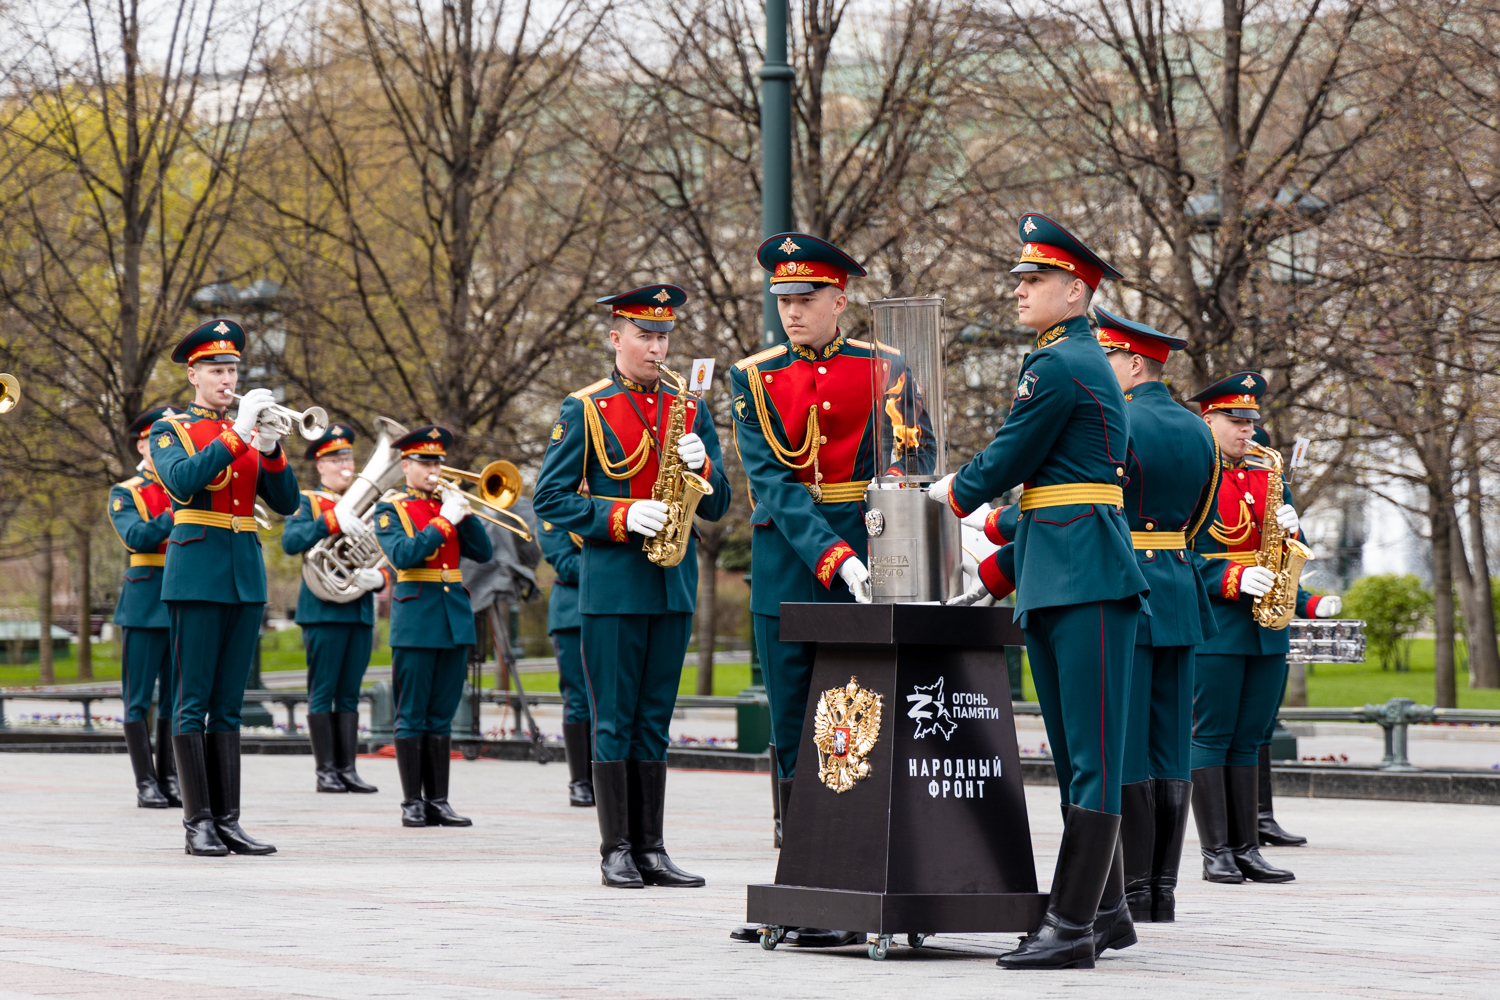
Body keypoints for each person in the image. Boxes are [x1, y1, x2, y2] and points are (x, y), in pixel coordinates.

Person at [933, 214, 1145, 970]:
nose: (1020, 291)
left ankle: (1072, 926)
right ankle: (1106, 909)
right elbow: (1045, 480)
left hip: (1083, 573)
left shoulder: (1056, 365)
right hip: (1063, 570)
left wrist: (946, 497)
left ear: (1076, 290)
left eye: (1035, 281)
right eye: (1019, 279)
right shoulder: (1069, 359)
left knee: (1088, 754)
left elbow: (1010, 455)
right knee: (1075, 749)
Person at [726, 232, 929, 948]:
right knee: (792, 733)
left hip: (874, 562)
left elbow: (917, 457)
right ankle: (799, 886)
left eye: (806, 299)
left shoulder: (888, 367)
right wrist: (835, 558)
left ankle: (854, 882)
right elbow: (776, 486)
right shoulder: (751, 377)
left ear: (839, 299)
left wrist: (895, 522)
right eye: (783, 300)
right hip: (793, 566)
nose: (792, 312)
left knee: (857, 727)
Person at [533, 284, 732, 889]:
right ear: (615, 338)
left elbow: (719, 505)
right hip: (615, 581)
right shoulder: (585, 407)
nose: (656, 345)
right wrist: (618, 517)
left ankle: (653, 848)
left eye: (664, 335)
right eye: (644, 335)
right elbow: (551, 498)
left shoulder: (688, 407)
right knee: (614, 717)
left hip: (672, 580)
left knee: (654, 718)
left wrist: (706, 467)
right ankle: (615, 848)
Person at [150, 319, 301, 856]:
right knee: (193, 702)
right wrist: (239, 432)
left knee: (230, 705)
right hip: (195, 573)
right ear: (193, 374)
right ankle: (198, 824)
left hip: (244, 574)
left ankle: (229, 820)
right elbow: (184, 483)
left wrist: (270, 447)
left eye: (233, 369)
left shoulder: (245, 431)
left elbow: (287, 505)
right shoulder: (171, 431)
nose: (227, 378)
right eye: (216, 369)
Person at [1186, 374, 1342, 885]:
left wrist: (1293, 533)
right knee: (1211, 735)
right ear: (1207, 419)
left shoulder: (1266, 474)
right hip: (1217, 624)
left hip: (1266, 628)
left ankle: (1248, 847)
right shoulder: (1189, 472)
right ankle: (1217, 852)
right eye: (1236, 421)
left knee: (1251, 737)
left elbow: (1284, 549)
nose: (1246, 432)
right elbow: (1169, 550)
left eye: (1252, 422)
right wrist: (1228, 575)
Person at [1092, 308, 1220, 923]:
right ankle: (1162, 891)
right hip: (1178, 584)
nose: (1101, 369)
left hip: (1129, 585)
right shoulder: (1200, 430)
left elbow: (1099, 505)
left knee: (1127, 745)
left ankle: (1135, 888)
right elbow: (1197, 517)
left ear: (1134, 363)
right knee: (1171, 746)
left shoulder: (1118, 420)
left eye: (1107, 359)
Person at [372, 426, 494, 828]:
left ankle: (438, 800)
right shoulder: (391, 509)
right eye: (425, 462)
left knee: (441, 715)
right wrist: (444, 521)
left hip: (453, 616)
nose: (434, 469)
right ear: (406, 465)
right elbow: (404, 556)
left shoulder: (449, 504)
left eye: (438, 461)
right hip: (416, 616)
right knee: (411, 714)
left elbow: (483, 551)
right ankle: (412, 802)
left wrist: (465, 513)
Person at [281, 424, 388, 794]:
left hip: (357, 607)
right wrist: (330, 521)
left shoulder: (374, 505)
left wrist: (381, 579)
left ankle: (348, 769)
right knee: (323, 690)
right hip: (323, 610)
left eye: (349, 458)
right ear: (320, 466)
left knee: (349, 691)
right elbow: (291, 541)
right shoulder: (307, 500)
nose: (346, 465)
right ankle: (325, 771)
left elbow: (385, 549)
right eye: (336, 459)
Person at [108, 406, 182, 809]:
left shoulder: (186, 483)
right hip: (143, 602)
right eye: (157, 437)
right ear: (143, 444)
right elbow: (136, 536)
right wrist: (175, 513)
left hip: (181, 597)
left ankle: (170, 777)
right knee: (137, 698)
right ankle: (145, 783)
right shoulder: (127, 491)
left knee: (174, 698)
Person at [539, 518, 593, 807]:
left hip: (613, 607)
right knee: (578, 696)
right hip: (573, 613)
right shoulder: (555, 512)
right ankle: (580, 781)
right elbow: (565, 563)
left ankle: (607, 776)